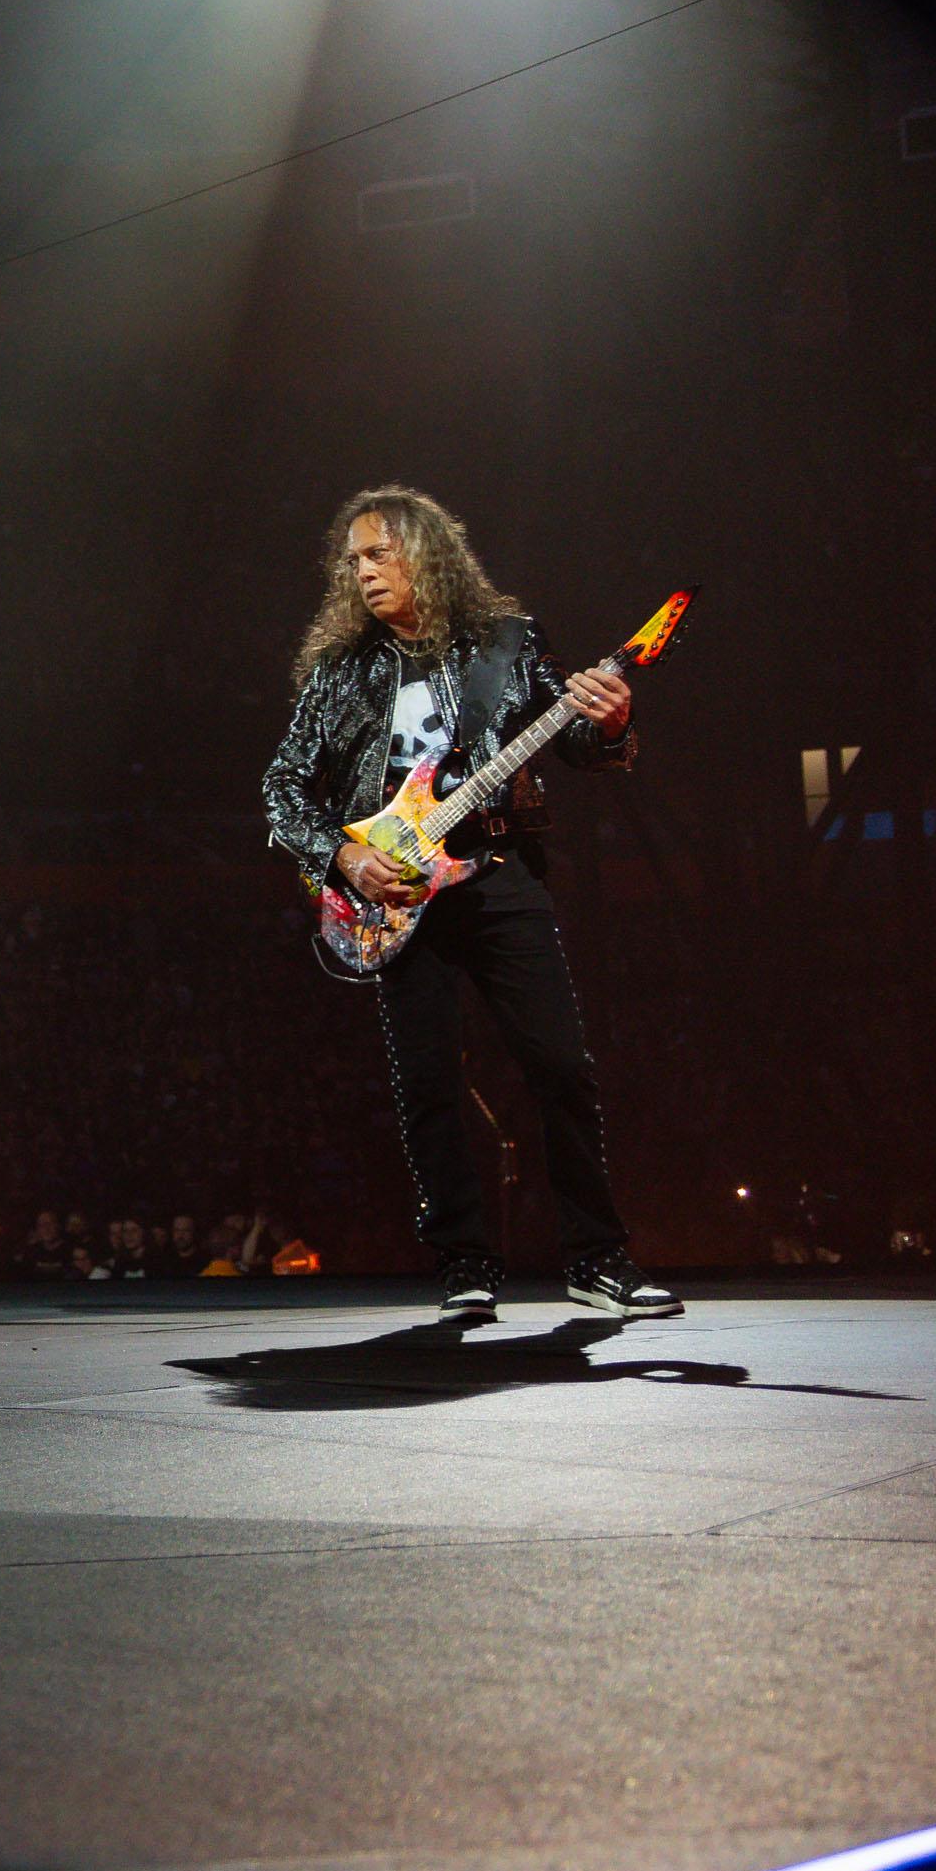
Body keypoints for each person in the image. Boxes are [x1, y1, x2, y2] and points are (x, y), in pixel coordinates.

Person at [260, 485, 682, 1322]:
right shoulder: (343, 672)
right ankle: (464, 1263)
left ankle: (597, 1256)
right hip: (394, 888)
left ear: (426, 552)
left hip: (497, 868)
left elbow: (577, 742)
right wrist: (346, 857)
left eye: (378, 552)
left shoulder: (509, 643)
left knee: (561, 1064)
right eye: (353, 560)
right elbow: (282, 788)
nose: (362, 571)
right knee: (427, 1081)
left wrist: (609, 722)